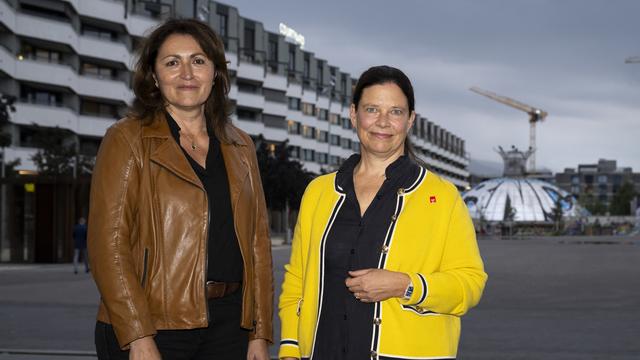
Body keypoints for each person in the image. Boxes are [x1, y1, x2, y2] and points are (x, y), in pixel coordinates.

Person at [88, 19, 272, 360]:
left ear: (215, 73)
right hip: (155, 327)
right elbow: (107, 245)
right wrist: (137, 334)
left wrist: (259, 332)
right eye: (172, 62)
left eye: (198, 61)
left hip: (231, 327)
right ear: (154, 77)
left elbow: (258, 245)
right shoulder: (127, 139)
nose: (187, 73)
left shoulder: (241, 146)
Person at [279, 66, 487, 360]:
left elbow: (470, 282)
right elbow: (297, 281)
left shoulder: (442, 197)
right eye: (372, 109)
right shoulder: (319, 192)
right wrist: (290, 349)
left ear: (410, 119)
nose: (383, 122)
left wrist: (406, 285)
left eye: (396, 112)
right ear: (354, 114)